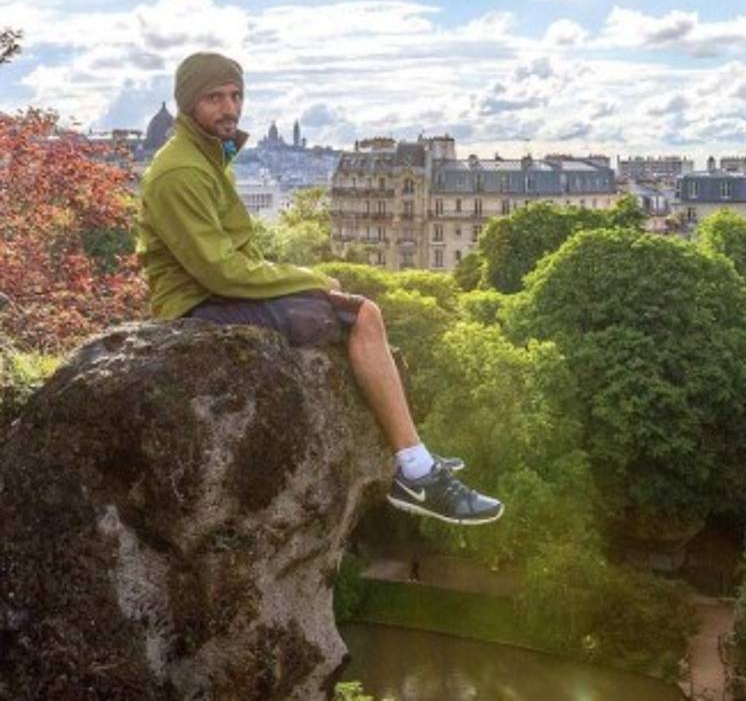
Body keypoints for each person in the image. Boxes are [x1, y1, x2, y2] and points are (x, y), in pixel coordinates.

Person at [136, 51, 503, 526]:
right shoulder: (182, 171)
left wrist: (298, 281)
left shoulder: (204, 156)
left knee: (349, 307)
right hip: (199, 306)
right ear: (188, 104)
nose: (230, 107)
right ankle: (416, 469)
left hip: (208, 296)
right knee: (360, 314)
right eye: (214, 97)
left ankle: (414, 459)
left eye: (235, 95)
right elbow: (220, 272)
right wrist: (309, 279)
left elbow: (229, 262)